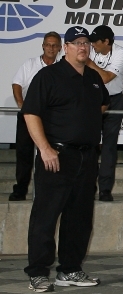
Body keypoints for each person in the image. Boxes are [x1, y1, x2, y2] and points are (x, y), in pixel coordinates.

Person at [21, 26, 109, 292]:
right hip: (56, 157)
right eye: (76, 43)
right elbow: (31, 113)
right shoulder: (48, 76)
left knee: (80, 217)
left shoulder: (93, 78)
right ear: (65, 47)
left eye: (86, 43)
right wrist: (46, 148)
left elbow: (102, 104)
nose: (82, 47)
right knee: (46, 217)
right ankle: (37, 272)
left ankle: (70, 269)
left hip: (87, 158)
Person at [9, 32, 61, 201]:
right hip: (29, 116)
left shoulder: (62, 67)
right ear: (43, 46)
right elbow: (17, 84)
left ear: (60, 48)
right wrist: (21, 104)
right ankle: (21, 189)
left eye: (54, 45)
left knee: (48, 153)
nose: (51, 48)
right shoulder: (30, 64)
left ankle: (45, 190)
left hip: (51, 118)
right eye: (48, 44)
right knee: (24, 153)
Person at [86, 25, 123, 202]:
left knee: (109, 146)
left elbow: (105, 78)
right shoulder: (88, 49)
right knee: (89, 144)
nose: (92, 45)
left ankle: (105, 189)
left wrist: (88, 63)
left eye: (96, 42)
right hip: (91, 99)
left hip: (114, 100)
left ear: (107, 42)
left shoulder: (121, 53)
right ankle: (87, 185)